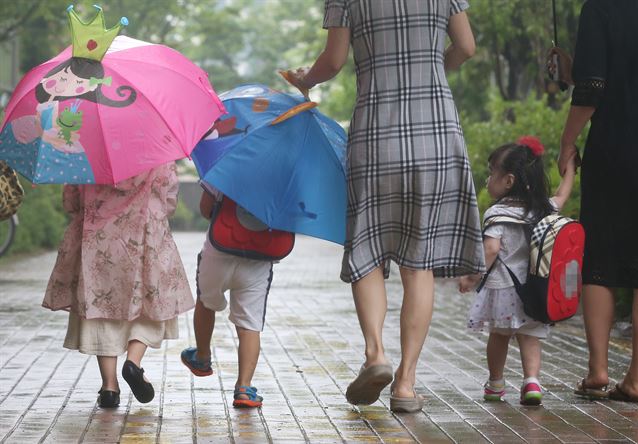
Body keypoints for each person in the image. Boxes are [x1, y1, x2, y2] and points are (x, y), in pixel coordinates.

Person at [283, 0, 484, 412]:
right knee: (419, 263)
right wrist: (430, 76)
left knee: (367, 252)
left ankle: (376, 355)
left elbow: (334, 60)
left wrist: (307, 79)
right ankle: (406, 384)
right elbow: (466, 46)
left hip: (377, 134)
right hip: (436, 133)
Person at [42, 162, 194, 408]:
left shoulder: (88, 153)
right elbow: (168, 202)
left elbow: (71, 202)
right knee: (149, 305)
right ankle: (133, 363)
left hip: (99, 242)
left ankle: (109, 388)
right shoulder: (158, 151)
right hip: (145, 240)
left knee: (102, 309)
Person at [557, 0, 638, 402]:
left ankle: (598, 371)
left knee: (600, 260)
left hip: (615, 151)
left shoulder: (602, 8)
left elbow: (593, 89)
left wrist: (567, 142)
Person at [459, 137, 577, 405]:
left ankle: (496, 384)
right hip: (534, 290)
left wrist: (472, 276)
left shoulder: (496, 212)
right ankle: (532, 382)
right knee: (530, 336)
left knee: (499, 337)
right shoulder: (542, 208)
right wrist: (569, 167)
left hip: (502, 289)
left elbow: (490, 250)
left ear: (509, 181)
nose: (488, 180)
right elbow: (562, 194)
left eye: (491, 174)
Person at [180, 183, 286, 408]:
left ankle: (202, 356)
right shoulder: (286, 175)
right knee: (249, 323)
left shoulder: (227, 158)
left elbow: (205, 208)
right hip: (259, 257)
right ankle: (244, 388)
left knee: (206, 302)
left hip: (219, 250)